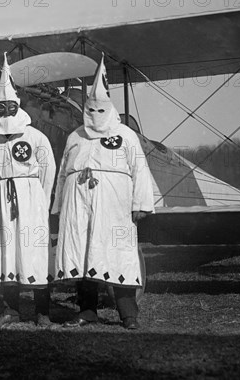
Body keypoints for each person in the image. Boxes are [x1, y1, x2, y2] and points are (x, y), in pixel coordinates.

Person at [52, 55, 154, 330]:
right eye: (91, 110)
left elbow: (140, 169)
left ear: (109, 109)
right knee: (84, 255)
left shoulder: (126, 135)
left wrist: (140, 204)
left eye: (100, 110)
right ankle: (87, 311)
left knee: (117, 255)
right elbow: (63, 173)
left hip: (114, 207)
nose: (95, 115)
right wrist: (59, 206)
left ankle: (127, 314)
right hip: (78, 205)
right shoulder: (75, 137)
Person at [0, 53, 56, 326]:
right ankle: (11, 309)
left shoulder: (36, 137)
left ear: (18, 106)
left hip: (31, 198)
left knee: (33, 251)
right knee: (6, 251)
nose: (6, 113)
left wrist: (38, 200)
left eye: (10, 107)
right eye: (1, 108)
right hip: (1, 200)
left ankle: (42, 310)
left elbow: (48, 171)